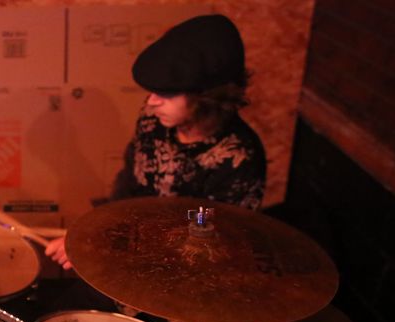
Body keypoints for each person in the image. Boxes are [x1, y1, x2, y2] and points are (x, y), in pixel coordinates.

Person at [46, 14, 266, 270]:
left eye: (165, 93)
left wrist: (101, 241)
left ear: (207, 96)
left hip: (185, 272)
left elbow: (206, 237)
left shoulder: (238, 160)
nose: (151, 102)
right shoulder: (154, 120)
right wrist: (95, 231)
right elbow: (131, 184)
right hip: (130, 250)